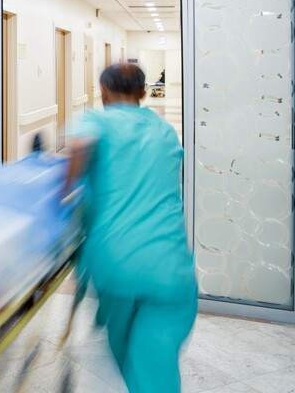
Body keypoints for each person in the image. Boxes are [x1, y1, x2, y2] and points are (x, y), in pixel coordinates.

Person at [62, 63, 197, 393]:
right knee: (157, 354)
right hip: (171, 264)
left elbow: (81, 149)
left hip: (117, 261)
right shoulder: (165, 129)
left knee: (128, 348)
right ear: (142, 93)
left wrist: (66, 188)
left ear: (104, 92)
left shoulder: (97, 120)